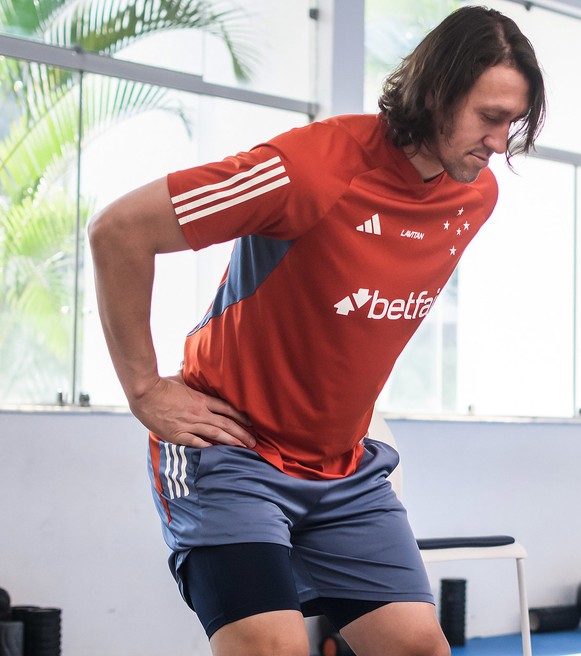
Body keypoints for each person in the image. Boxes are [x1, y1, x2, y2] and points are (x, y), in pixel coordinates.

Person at [87, 7, 545, 656]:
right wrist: (142, 388)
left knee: (420, 648)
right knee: (275, 648)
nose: (500, 142)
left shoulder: (474, 196)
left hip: (344, 470)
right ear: (436, 93)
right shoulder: (309, 169)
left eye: (513, 123)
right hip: (233, 450)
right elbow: (120, 230)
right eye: (490, 117)